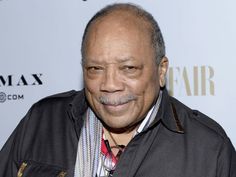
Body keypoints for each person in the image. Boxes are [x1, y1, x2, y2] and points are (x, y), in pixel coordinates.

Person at [0, 3, 235, 177]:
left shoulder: (208, 149)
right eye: (95, 68)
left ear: (161, 70)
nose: (110, 84)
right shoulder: (42, 122)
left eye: (129, 68)